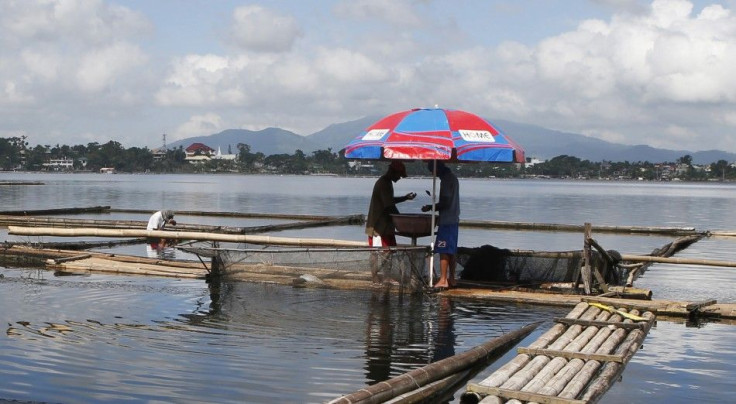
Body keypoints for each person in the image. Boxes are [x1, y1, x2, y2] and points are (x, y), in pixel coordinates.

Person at [365, 161, 416, 282]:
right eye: (399, 175)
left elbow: (389, 200)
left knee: (389, 251)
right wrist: (401, 221)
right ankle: (376, 276)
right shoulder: (383, 183)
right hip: (378, 226)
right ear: (393, 172)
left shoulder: (387, 183)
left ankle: (386, 276)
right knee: (379, 252)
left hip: (386, 225)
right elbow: (389, 205)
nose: (399, 178)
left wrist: (405, 198)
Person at [422, 161, 460, 289]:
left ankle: (443, 279)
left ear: (438, 169)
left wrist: (431, 207)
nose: (433, 174)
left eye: (433, 171)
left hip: (447, 220)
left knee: (443, 249)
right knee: (451, 250)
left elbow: (445, 202)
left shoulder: (446, 180)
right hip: (454, 219)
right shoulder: (453, 178)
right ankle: (452, 278)